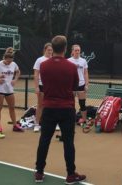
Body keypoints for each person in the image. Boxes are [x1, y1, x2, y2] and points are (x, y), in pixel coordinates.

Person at [34, 35, 86, 184]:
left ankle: (39, 172)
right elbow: (75, 86)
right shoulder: (71, 66)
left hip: (49, 108)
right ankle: (71, 174)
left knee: (44, 140)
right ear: (65, 48)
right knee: (68, 142)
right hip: (66, 108)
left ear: (54, 48)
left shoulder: (44, 66)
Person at [0, 47, 23, 133]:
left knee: (12, 108)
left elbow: (18, 71)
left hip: (9, 90)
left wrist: (15, 80)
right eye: (8, 61)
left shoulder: (14, 64)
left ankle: (15, 125)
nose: (9, 63)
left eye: (11, 61)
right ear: (4, 58)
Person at [33, 43, 53, 132]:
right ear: (45, 50)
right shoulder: (39, 60)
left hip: (52, 86)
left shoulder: (54, 60)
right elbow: (36, 74)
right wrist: (36, 86)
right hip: (41, 86)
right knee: (40, 105)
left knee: (52, 105)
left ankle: (52, 123)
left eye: (51, 50)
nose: (50, 52)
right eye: (48, 50)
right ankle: (37, 124)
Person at [68, 44, 89, 125]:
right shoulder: (68, 60)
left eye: (78, 50)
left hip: (81, 84)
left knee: (82, 103)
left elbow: (86, 73)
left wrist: (86, 84)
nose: (77, 52)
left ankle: (84, 120)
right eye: (75, 50)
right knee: (70, 103)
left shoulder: (83, 61)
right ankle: (70, 119)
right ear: (72, 51)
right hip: (71, 85)